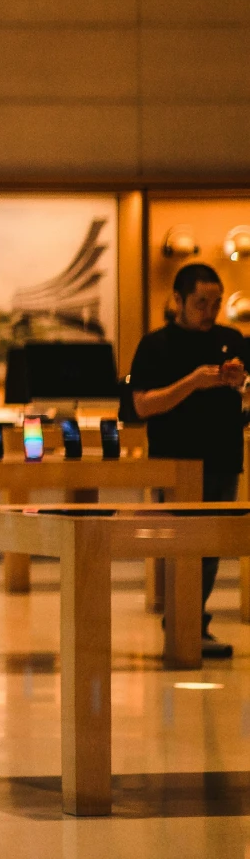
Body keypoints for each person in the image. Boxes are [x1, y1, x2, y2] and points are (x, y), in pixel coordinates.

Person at [125, 261, 248, 659]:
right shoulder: (156, 345)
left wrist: (239, 382)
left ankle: (194, 623)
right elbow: (142, 405)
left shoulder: (233, 339)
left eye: (215, 303)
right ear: (177, 300)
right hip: (175, 460)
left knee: (212, 544)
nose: (209, 312)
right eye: (200, 303)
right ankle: (182, 623)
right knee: (179, 544)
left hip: (223, 454)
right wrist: (193, 382)